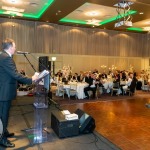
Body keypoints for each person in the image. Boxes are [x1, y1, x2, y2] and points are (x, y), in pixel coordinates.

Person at [0, 38, 38, 148]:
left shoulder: (3, 56)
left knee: (3, 115)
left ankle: (4, 131)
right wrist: (32, 79)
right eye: (15, 46)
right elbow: (15, 75)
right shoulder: (6, 58)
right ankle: (2, 138)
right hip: (4, 93)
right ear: (10, 47)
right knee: (3, 115)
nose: (16, 48)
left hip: (3, 91)